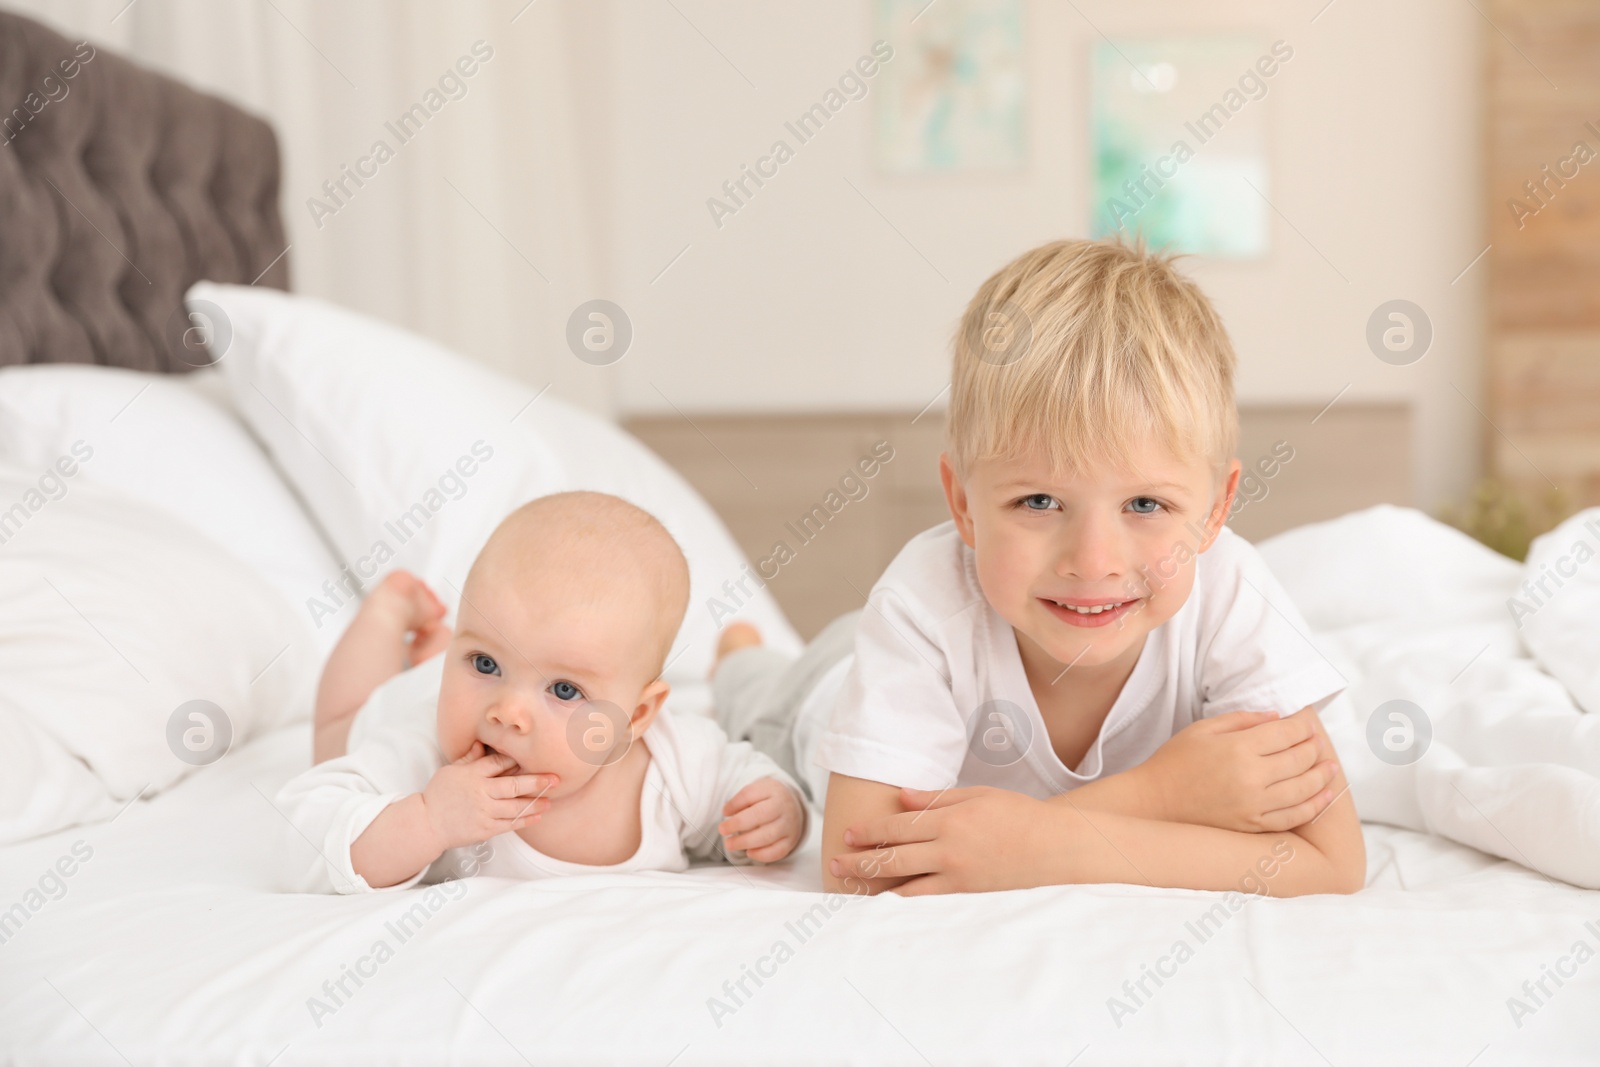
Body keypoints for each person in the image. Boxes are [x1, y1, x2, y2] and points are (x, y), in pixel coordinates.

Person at [712, 238, 1364, 898]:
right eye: (1039, 501)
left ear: (1216, 508)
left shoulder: (1231, 594)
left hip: (909, 664)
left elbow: (1330, 860)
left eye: (1145, 503)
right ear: (964, 503)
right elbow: (859, 872)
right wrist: (1158, 793)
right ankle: (736, 654)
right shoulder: (921, 606)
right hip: (826, 688)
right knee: (762, 690)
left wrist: (1049, 843)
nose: (1093, 562)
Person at [280, 491, 807, 892]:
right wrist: (427, 820)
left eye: (564, 690)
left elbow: (746, 780)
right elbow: (304, 834)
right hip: (401, 701)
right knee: (337, 732)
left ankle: (445, 648)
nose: (508, 712)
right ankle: (390, 609)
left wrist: (779, 812)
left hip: (449, 677)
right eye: (483, 661)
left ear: (636, 717)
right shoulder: (424, 755)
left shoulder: (673, 762)